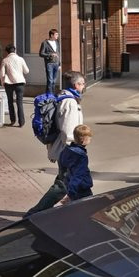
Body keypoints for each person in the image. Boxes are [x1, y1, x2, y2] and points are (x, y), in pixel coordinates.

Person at [26, 71, 86, 214]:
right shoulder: (70, 102)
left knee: (76, 180)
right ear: (76, 85)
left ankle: (79, 209)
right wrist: (75, 148)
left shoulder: (62, 96)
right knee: (62, 184)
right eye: (83, 84)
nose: (84, 86)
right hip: (68, 149)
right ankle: (36, 212)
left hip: (64, 148)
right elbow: (68, 131)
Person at [59, 125, 94, 204]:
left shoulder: (66, 150)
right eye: (89, 137)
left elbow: (62, 166)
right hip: (82, 189)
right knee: (90, 207)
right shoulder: (81, 156)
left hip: (69, 185)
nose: (90, 139)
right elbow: (78, 175)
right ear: (83, 139)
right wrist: (71, 194)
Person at [0, 44, 30, 127]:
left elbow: (2, 73)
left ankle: (12, 120)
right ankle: (21, 122)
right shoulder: (21, 59)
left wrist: (2, 82)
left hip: (8, 83)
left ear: (7, 52)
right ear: (14, 50)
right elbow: (26, 71)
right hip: (20, 82)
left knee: (10, 102)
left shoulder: (5, 60)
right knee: (19, 102)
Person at [38, 29, 61, 94]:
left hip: (56, 63)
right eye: (56, 34)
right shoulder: (45, 43)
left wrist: (59, 64)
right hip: (49, 64)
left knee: (54, 81)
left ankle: (52, 94)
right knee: (50, 80)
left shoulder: (57, 42)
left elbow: (59, 53)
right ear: (51, 35)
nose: (57, 36)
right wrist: (50, 55)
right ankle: (49, 94)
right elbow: (41, 54)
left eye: (57, 34)